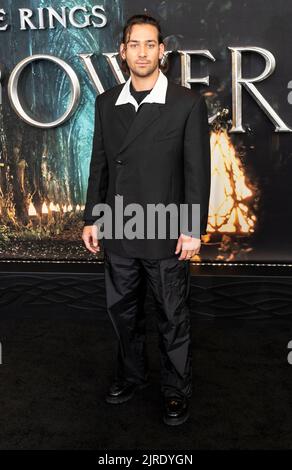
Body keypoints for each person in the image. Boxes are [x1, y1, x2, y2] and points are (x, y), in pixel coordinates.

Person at [82, 14, 211, 426]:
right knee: (122, 312)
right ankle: (132, 376)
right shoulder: (106, 103)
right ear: (123, 52)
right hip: (119, 225)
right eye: (134, 44)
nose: (142, 52)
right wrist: (91, 218)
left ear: (162, 52)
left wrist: (192, 228)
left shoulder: (187, 103)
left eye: (150, 44)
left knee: (172, 316)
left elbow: (196, 172)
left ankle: (176, 390)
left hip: (166, 228)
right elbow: (99, 165)